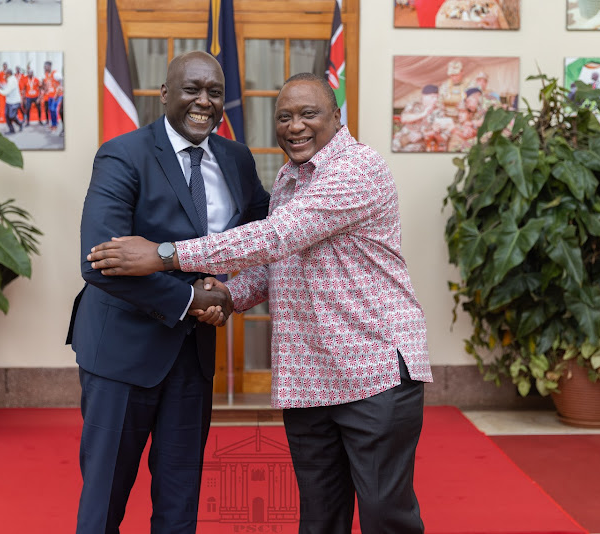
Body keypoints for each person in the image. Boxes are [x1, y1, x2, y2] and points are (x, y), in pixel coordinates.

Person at [87, 72, 433, 534]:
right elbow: (277, 264)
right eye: (284, 117)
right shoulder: (291, 178)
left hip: (373, 370)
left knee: (385, 517)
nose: (295, 127)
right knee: (319, 519)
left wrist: (164, 254)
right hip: (311, 377)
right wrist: (225, 296)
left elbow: (274, 237)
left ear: (336, 116)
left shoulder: (358, 169)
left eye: (308, 114)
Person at [66, 50, 270, 534]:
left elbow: (268, 235)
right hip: (121, 355)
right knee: (104, 502)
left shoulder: (238, 160)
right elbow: (99, 262)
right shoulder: (123, 154)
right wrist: (192, 300)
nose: (204, 102)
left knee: (180, 503)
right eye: (192, 89)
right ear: (164, 94)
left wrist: (228, 291)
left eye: (215, 92)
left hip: (193, 357)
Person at [392, 84, 452, 152]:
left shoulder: (439, 112)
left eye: (436, 97)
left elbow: (442, 133)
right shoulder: (414, 105)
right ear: (424, 96)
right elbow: (404, 118)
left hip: (419, 143)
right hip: (402, 138)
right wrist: (423, 114)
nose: (435, 100)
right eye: (432, 97)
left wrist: (422, 135)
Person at [0, 69, 22, 134]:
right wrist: (1, 86)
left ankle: (20, 124)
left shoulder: (12, 80)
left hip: (14, 102)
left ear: (9, 74)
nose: (4, 75)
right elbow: (7, 88)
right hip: (9, 101)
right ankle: (12, 130)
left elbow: (6, 92)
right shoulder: (10, 80)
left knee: (11, 116)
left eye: (5, 74)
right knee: (7, 116)